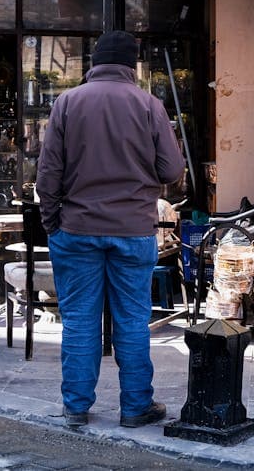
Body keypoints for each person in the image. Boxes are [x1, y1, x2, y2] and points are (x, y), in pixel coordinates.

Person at [36, 30, 186, 429]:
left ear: (94, 64)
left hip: (77, 229)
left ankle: (76, 407)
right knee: (133, 321)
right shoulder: (149, 105)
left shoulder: (67, 102)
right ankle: (136, 407)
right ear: (130, 66)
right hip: (133, 230)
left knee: (80, 321)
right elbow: (172, 170)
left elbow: (47, 174)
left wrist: (53, 221)